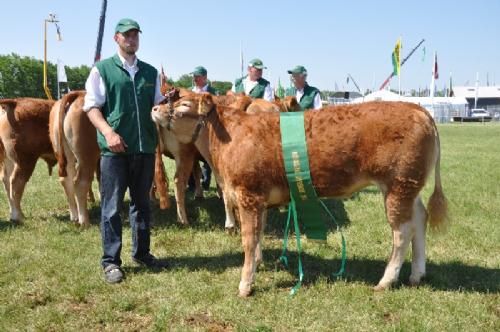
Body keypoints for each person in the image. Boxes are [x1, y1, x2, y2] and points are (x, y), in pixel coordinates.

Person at [83, 18, 166, 284]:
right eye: (126, 36)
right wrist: (108, 133)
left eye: (135, 36)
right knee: (111, 207)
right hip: (115, 151)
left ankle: (142, 253)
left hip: (144, 149)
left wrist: (168, 107)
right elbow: (92, 107)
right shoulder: (102, 69)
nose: (132, 40)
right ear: (116, 39)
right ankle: (110, 262)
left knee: (142, 205)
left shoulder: (150, 72)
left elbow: (158, 106)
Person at [188, 66, 214, 192]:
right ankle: (192, 184)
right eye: (194, 76)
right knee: (190, 155)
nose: (195, 78)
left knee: (207, 157)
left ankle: (205, 182)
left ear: (205, 77)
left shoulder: (213, 92)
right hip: (190, 130)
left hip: (207, 129)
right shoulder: (189, 92)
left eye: (197, 76)